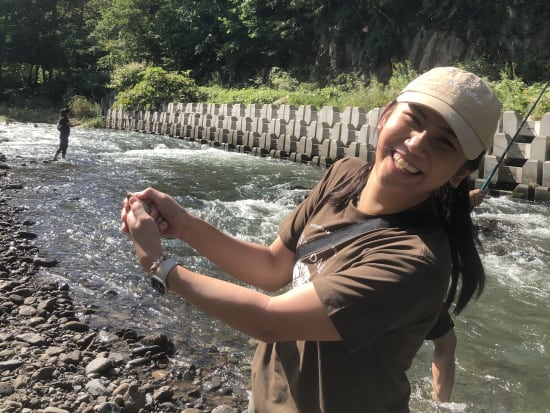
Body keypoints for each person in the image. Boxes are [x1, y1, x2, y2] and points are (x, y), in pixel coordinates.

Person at [120, 66, 500, 412]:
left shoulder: (416, 259)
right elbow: (271, 268)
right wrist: (183, 225)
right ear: (386, 116)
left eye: (444, 142)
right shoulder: (344, 175)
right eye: (413, 120)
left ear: (461, 173)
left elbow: (269, 321)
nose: (416, 144)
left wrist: (159, 266)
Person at [427, 186, 488, 403]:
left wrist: (465, 201)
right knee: (445, 343)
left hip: (419, 278)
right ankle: (439, 404)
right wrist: (464, 202)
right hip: (421, 280)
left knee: (445, 341)